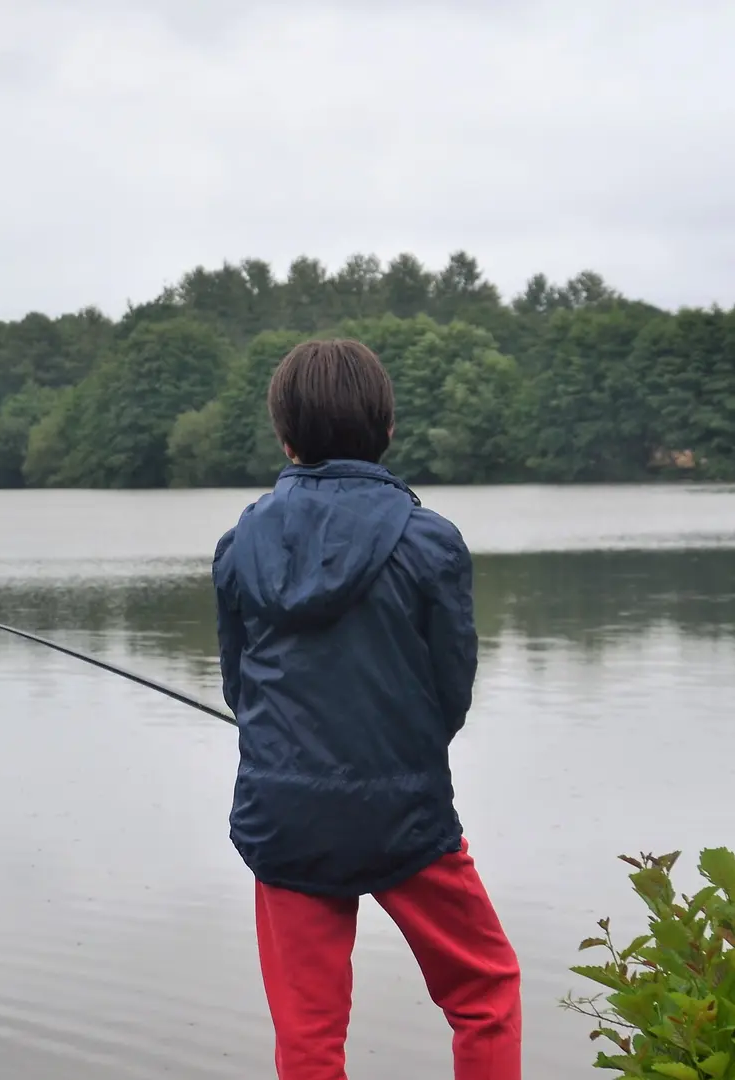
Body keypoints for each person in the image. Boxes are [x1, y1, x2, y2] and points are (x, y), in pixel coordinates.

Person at [212, 340, 522, 1080]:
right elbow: (450, 691)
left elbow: (239, 690)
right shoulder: (429, 541)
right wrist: (390, 750)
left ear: (284, 436)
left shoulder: (238, 544)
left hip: (284, 816)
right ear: (385, 430)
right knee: (484, 991)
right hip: (404, 816)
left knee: (308, 1033)